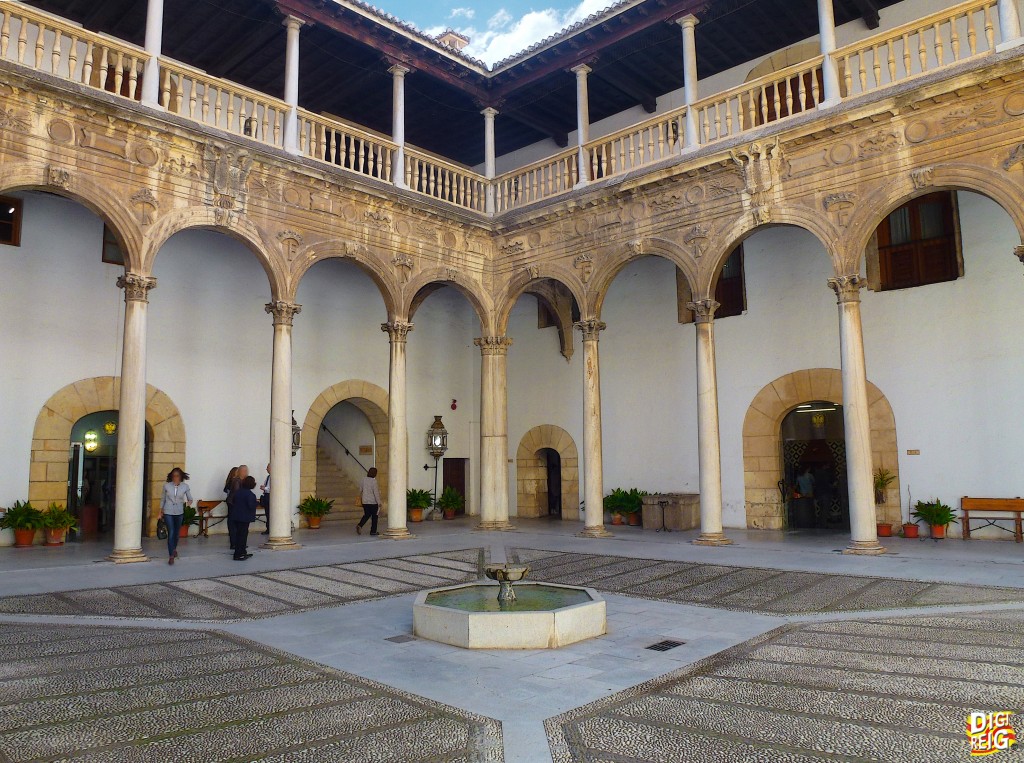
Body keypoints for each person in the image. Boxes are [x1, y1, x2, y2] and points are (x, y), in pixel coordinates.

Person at [159, 467, 193, 565]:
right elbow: (163, 499)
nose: (175, 478)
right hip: (168, 511)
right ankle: (170, 555)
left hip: (179, 512)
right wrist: (160, 512)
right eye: (174, 476)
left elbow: (190, 498)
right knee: (171, 532)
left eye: (177, 476)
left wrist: (186, 504)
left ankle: (174, 549)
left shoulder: (185, 486)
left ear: (181, 477)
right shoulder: (166, 486)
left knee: (177, 533)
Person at [228, 475, 257, 561]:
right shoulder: (250, 494)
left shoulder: (238, 492)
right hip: (244, 518)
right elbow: (251, 505)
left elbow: (233, 501)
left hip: (236, 516)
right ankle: (238, 554)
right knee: (242, 536)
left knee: (239, 535)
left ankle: (242, 551)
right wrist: (257, 503)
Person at [357, 467, 383, 536]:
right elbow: (376, 493)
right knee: (375, 517)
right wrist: (379, 502)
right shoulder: (374, 481)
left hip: (365, 501)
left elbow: (360, 489)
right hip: (373, 502)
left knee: (367, 515)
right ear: (375, 474)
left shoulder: (363, 480)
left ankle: (360, 525)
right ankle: (373, 531)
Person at [259, 462, 271, 535]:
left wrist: (265, 488)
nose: (266, 469)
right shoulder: (268, 477)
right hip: (266, 496)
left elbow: (274, 487)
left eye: (268, 467)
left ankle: (271, 528)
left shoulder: (275, 477)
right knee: (267, 513)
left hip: (270, 496)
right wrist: (263, 487)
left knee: (270, 513)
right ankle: (268, 528)